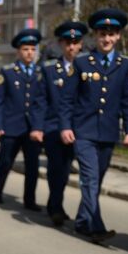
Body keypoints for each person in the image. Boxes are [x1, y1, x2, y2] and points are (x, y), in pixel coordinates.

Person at [58, 9, 128, 245]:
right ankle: (97, 226)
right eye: (102, 34)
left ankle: (83, 221)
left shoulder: (125, 64)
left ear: (118, 36)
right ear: (95, 36)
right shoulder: (82, 62)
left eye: (111, 34)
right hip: (83, 132)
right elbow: (67, 99)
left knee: (97, 180)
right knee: (90, 179)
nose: (107, 39)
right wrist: (65, 126)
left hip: (108, 132)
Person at [0, 29, 47, 208]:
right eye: (26, 49)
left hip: (32, 127)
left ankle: (30, 200)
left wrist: (40, 126)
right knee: (5, 161)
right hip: (11, 126)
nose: (30, 53)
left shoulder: (40, 72)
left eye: (33, 49)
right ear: (18, 51)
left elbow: (42, 101)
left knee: (32, 165)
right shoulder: (7, 72)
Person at [42, 21, 86, 227]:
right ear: (61, 44)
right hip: (53, 128)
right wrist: (38, 127)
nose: (71, 47)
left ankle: (61, 207)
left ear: (81, 44)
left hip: (80, 128)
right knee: (56, 170)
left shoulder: (88, 68)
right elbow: (41, 100)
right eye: (68, 43)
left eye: (75, 43)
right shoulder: (50, 69)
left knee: (69, 171)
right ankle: (56, 208)